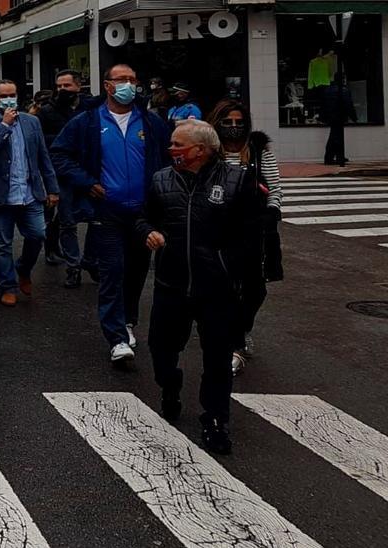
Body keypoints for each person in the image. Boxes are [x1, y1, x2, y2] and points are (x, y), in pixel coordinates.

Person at [135, 119, 254, 455]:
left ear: (201, 150)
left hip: (216, 288)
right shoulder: (161, 180)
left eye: (178, 144)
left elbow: (249, 236)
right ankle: (170, 385)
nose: (171, 149)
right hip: (170, 283)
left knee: (217, 358)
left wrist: (231, 271)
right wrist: (147, 232)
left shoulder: (236, 181)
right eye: (171, 144)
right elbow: (143, 218)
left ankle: (216, 419)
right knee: (161, 349)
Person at [52, 64, 171, 365]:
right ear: (107, 86)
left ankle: (128, 320)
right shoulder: (88, 122)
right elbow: (59, 154)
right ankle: (116, 337)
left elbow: (170, 155)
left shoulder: (151, 122)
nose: (129, 85)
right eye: (122, 80)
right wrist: (87, 182)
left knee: (136, 271)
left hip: (143, 213)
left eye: (133, 79)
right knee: (112, 272)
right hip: (107, 212)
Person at [208, 99, 284, 376]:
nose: (234, 127)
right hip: (221, 230)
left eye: (239, 122)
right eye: (227, 122)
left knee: (256, 288)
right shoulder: (211, 151)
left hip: (257, 229)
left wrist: (271, 213)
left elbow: (275, 188)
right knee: (225, 287)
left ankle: (242, 328)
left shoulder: (258, 150)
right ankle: (234, 341)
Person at [0, 80, 60, 307]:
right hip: (0, 196)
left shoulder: (32, 122)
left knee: (38, 234)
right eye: (3, 96)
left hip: (29, 193)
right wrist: (4, 125)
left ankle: (23, 269)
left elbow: (43, 155)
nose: (8, 99)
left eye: (11, 94)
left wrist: (52, 188)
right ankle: (8, 285)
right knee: (1, 244)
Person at [36, 70, 93, 280]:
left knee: (94, 218)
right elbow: (40, 141)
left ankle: (90, 260)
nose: (62, 90)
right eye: (59, 86)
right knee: (68, 220)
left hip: (88, 170)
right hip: (61, 171)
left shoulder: (90, 107)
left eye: (66, 86)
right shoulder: (47, 111)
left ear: (78, 86)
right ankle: (73, 266)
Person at [322, 72, 356, 166]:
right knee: (336, 137)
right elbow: (348, 105)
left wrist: (323, 117)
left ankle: (333, 157)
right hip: (339, 117)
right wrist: (354, 117)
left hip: (331, 117)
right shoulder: (344, 90)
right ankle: (334, 157)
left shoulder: (328, 90)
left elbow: (324, 105)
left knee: (334, 136)